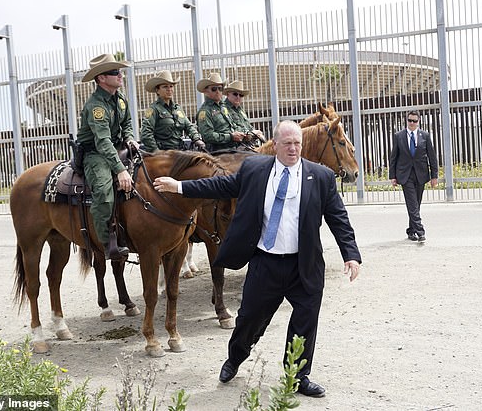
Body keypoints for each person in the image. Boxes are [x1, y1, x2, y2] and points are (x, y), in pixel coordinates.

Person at [153, 120, 362, 398]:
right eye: (287, 143)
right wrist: (180, 187)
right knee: (249, 321)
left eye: (297, 143)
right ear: (275, 145)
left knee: (305, 323)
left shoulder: (320, 177)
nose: (293, 148)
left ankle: (298, 376)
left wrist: (351, 254)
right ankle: (235, 358)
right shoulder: (254, 170)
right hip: (267, 262)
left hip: (305, 266)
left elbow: (338, 217)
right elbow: (220, 185)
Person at [76, 53, 140, 260]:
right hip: (96, 154)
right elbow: (102, 141)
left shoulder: (120, 99)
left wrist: (130, 138)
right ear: (101, 78)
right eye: (115, 72)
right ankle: (106, 243)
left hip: (118, 147)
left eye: (120, 71)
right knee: (104, 192)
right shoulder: (96, 106)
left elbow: (128, 123)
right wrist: (120, 170)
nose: (121, 75)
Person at [388, 110, 438, 242]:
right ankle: (420, 231)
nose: (412, 123)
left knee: (416, 204)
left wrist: (434, 176)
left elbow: (432, 157)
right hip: (405, 175)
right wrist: (392, 176)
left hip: (421, 174)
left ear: (418, 122)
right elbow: (394, 157)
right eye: (410, 120)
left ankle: (411, 231)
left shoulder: (425, 136)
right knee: (412, 204)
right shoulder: (399, 136)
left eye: (414, 121)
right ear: (407, 121)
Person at [141, 70, 205, 152]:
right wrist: (157, 152)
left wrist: (197, 139)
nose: (169, 89)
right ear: (157, 90)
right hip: (164, 153)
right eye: (165, 87)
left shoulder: (177, 108)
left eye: (171, 86)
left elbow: (188, 126)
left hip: (180, 151)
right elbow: (146, 134)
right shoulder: (153, 109)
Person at [195, 72, 247, 151]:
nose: (218, 91)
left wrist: (243, 134)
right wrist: (231, 137)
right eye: (214, 89)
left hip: (233, 148)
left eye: (220, 88)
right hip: (218, 152)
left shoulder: (223, 107)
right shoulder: (205, 112)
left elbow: (232, 125)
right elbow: (208, 136)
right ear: (206, 91)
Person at [222, 80, 265, 144]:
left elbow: (248, 126)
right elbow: (232, 129)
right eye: (235, 94)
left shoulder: (240, 110)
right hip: (234, 146)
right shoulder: (223, 109)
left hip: (247, 144)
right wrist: (251, 133)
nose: (238, 97)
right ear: (228, 94)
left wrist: (256, 132)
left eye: (241, 95)